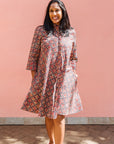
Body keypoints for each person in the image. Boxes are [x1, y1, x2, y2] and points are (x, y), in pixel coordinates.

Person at [21, 0, 83, 144]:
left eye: (57, 10)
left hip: (64, 80)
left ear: (63, 12)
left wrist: (73, 73)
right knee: (49, 115)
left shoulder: (71, 32)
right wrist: (35, 79)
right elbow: (33, 57)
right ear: (48, 14)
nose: (54, 14)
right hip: (45, 79)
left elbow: (74, 57)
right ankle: (52, 141)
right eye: (51, 11)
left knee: (60, 116)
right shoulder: (41, 31)